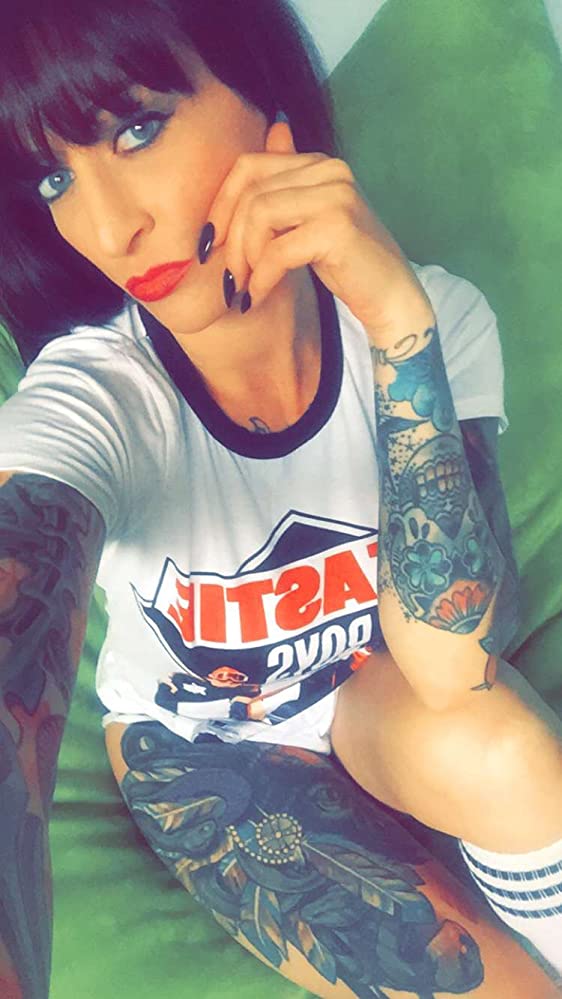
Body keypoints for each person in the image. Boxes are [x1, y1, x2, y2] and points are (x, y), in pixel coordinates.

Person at [0, 0, 561, 996]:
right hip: (207, 749)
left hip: (368, 685)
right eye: (54, 179)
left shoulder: (434, 317)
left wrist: (398, 327)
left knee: (508, 750)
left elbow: (453, 663)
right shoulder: (96, 396)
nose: (109, 228)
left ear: (267, 102)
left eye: (136, 130)